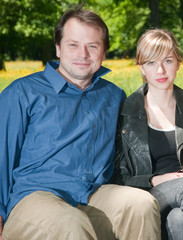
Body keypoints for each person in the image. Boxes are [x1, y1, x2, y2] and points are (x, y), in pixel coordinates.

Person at [0, 8, 161, 240]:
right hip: (34, 198)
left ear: (104, 51)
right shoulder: (22, 92)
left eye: (92, 46)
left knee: (140, 204)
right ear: (58, 47)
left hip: (93, 195)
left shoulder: (114, 96)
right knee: (71, 223)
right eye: (73, 44)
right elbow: (2, 156)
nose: (83, 54)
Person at [111, 28, 183, 240]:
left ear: (178, 63)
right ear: (141, 67)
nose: (160, 70)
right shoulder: (124, 113)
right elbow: (119, 175)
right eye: (151, 63)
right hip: (148, 197)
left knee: (178, 219)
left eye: (168, 61)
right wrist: (157, 179)